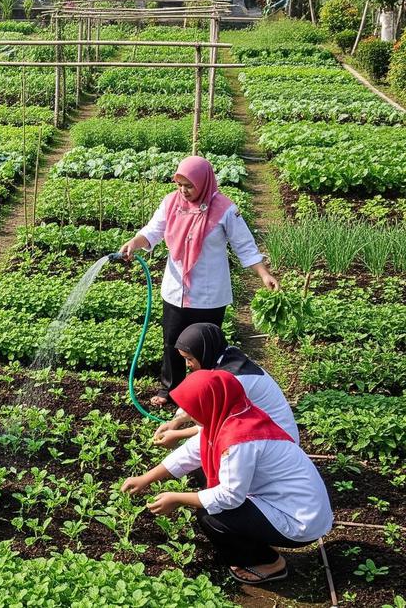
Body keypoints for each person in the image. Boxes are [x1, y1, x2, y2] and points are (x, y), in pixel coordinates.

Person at [122, 370, 332, 586]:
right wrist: (146, 478)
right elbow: (190, 453)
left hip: (301, 519)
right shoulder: (234, 415)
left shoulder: (239, 440)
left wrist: (177, 498)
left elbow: (229, 496)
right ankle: (261, 541)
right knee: (210, 499)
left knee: (212, 516)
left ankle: (270, 563)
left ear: (208, 404)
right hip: (293, 503)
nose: (191, 416)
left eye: (193, 408)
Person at [117, 155, 279, 407]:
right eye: (179, 184)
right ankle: (170, 389)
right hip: (175, 290)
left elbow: (244, 245)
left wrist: (264, 274)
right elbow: (153, 231)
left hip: (209, 294)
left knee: (205, 348)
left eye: (189, 185)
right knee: (172, 341)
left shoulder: (225, 209)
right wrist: (134, 243)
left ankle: (204, 394)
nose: (184, 190)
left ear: (204, 182)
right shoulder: (171, 203)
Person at [154, 323, 298, 449]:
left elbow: (216, 427)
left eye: (189, 359)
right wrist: (176, 422)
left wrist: (177, 435)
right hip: (267, 431)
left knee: (210, 447)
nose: (187, 365)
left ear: (204, 352)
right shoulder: (226, 355)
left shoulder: (232, 380)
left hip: (278, 439)